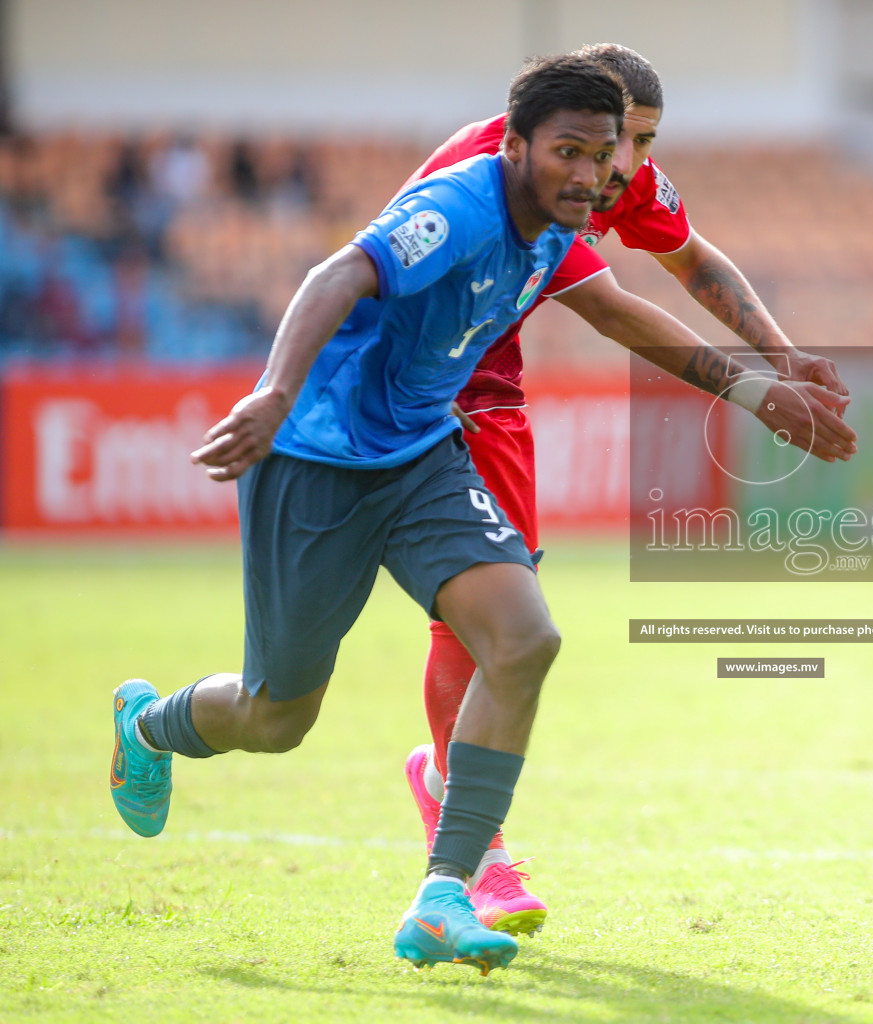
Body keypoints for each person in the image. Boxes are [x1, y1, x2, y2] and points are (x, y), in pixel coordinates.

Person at [107, 54, 631, 975]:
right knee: (277, 717)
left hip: (422, 456)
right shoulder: (463, 205)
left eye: (601, 153)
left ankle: (444, 893)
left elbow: (624, 307)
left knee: (524, 639)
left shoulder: (558, 224)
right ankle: (149, 726)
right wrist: (273, 395)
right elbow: (337, 273)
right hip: (314, 461)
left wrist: (751, 384)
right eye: (567, 151)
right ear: (514, 148)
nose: (588, 173)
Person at [394, 43, 856, 936]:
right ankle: (162, 725)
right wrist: (760, 395)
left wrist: (783, 352)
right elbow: (612, 308)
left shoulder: (618, 171)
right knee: (282, 696)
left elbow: (689, 257)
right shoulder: (501, 174)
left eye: (642, 143)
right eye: (615, 145)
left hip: (484, 389)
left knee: (489, 616)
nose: (627, 170)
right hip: (390, 389)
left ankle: (468, 849)